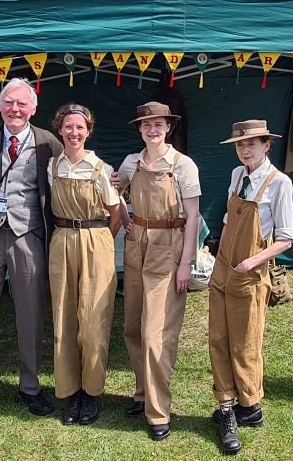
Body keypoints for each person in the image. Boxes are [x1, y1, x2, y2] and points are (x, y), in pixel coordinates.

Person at [0, 78, 62, 435]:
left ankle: (30, 387)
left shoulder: (48, 142)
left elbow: (64, 181)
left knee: (30, 315)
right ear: (0, 105)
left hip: (27, 234)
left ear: (34, 109)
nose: (14, 110)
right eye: (9, 103)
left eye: (22, 104)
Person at [114, 101, 200, 441]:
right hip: (137, 246)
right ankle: (142, 393)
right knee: (133, 327)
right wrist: (125, 215)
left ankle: (159, 409)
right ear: (139, 129)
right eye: (147, 124)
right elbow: (115, 190)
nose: (153, 130)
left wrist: (185, 263)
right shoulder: (131, 162)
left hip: (169, 246)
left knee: (156, 334)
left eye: (159, 124)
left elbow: (192, 217)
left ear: (169, 127)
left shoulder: (183, 165)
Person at [210, 119, 293, 456]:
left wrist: (251, 262)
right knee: (218, 337)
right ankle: (227, 403)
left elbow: (287, 238)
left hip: (249, 271)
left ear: (266, 145)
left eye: (252, 144)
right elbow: (231, 219)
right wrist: (215, 250)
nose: (245, 149)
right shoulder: (237, 175)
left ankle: (248, 404)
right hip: (222, 268)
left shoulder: (279, 183)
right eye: (240, 145)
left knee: (245, 343)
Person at [46, 103, 123, 426]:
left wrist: (99, 241)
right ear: (59, 130)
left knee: (93, 319)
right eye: (68, 127)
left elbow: (116, 214)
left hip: (96, 238)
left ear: (88, 131)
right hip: (62, 237)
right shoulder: (52, 166)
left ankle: (92, 392)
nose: (73, 133)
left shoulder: (102, 170)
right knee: (64, 317)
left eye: (79, 127)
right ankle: (70, 390)